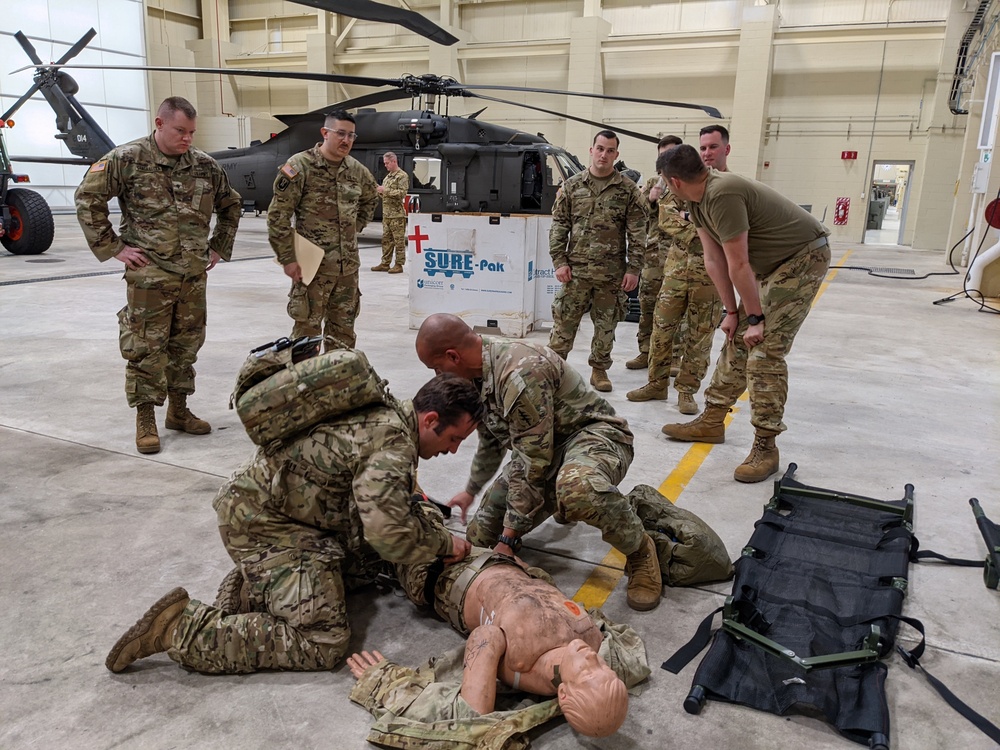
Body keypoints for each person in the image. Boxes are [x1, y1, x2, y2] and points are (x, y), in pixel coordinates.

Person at [104, 373, 484, 675]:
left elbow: (391, 510)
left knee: (365, 565)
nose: (452, 450)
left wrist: (430, 534)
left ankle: (255, 591)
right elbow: (389, 535)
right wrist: (445, 545)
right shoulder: (391, 441)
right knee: (324, 643)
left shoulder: (385, 414)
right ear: (430, 419)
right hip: (265, 527)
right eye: (454, 439)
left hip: (283, 514)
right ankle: (181, 629)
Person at [415, 313, 663, 611]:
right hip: (543, 451)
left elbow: (533, 463)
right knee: (479, 536)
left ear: (453, 356)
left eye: (436, 367)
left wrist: (510, 538)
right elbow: (492, 441)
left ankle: (640, 550)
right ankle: (562, 497)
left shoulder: (519, 374)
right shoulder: (474, 376)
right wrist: (471, 490)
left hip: (593, 437)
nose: (437, 376)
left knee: (577, 489)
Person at [75, 96, 242, 455]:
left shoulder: (204, 165)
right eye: (180, 131)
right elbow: (88, 199)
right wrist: (115, 247)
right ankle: (146, 417)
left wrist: (218, 246)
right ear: (160, 123)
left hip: (193, 274)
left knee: (186, 345)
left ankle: (179, 411)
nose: (187, 139)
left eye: (192, 132)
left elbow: (231, 205)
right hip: (149, 273)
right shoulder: (127, 158)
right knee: (146, 348)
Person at [658, 145, 831, 483]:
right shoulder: (695, 200)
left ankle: (766, 447)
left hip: (802, 259)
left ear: (674, 180)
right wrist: (732, 312)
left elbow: (737, 263)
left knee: (764, 350)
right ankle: (711, 420)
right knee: (738, 340)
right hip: (771, 266)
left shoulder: (722, 193)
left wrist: (756, 318)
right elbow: (714, 260)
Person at [348, 546, 646, 739]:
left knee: (389, 515)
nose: (593, 659)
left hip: (441, 572)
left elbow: (472, 714)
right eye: (603, 668)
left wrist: (385, 682)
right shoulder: (592, 643)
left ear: (564, 695)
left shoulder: (520, 662)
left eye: (587, 672)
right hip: (500, 559)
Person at [267, 110, 379, 351]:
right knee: (305, 337)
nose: (346, 140)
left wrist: (355, 226)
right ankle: (304, 387)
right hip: (311, 269)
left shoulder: (356, 170)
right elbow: (278, 216)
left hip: (347, 270)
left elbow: (371, 198)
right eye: (340, 133)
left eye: (351, 135)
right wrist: (288, 258)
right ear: (325, 133)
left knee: (343, 338)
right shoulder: (299, 166)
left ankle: (337, 386)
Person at [627, 141, 722, 416]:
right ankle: (656, 383)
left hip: (709, 274)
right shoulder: (673, 187)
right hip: (676, 272)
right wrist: (703, 227)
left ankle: (687, 391)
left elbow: (727, 226)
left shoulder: (722, 189)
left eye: (712, 147)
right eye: (703, 148)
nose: (707, 153)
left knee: (700, 335)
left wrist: (690, 219)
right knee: (661, 328)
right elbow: (667, 222)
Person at [548, 129, 646, 392]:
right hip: (575, 271)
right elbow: (559, 226)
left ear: (616, 154)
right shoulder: (572, 186)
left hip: (611, 272)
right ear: (591, 150)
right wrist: (560, 261)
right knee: (564, 322)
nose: (604, 154)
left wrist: (634, 269)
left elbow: (638, 233)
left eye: (610, 150)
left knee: (607, 324)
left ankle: (599, 370)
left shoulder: (627, 190)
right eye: (600, 148)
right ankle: (554, 368)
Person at [626, 135, 682, 371]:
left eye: (669, 153)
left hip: (677, 257)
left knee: (676, 308)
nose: (665, 159)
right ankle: (645, 351)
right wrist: (650, 200)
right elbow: (637, 216)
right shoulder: (652, 184)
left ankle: (675, 356)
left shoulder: (687, 183)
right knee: (647, 304)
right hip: (652, 258)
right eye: (661, 155)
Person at [371, 151, 409, 274]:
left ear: (394, 161)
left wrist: (385, 190)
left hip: (397, 215)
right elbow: (386, 195)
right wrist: (379, 191)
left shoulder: (402, 176)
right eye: (385, 163)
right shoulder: (388, 177)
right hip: (387, 215)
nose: (386, 166)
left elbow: (401, 193)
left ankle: (399, 264)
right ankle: (385, 263)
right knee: (386, 240)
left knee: (398, 241)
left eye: (387, 163)